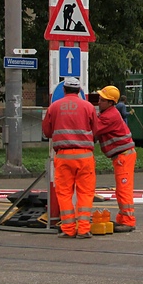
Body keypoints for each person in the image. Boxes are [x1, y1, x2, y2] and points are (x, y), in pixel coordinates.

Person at [42, 77, 97, 239]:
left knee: (64, 193)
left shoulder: (54, 107)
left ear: (64, 90)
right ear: (79, 91)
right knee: (85, 193)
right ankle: (84, 229)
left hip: (63, 156)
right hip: (85, 156)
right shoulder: (88, 107)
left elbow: (46, 132)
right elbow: (96, 130)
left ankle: (68, 229)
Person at [94, 85, 137, 232]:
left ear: (110, 102)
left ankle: (128, 220)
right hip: (122, 156)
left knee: (124, 189)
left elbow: (94, 129)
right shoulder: (108, 113)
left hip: (123, 156)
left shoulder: (109, 116)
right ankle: (123, 218)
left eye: (102, 100)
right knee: (121, 189)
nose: (98, 102)